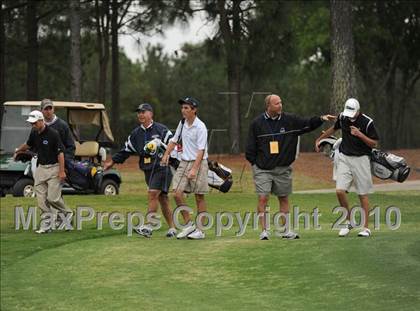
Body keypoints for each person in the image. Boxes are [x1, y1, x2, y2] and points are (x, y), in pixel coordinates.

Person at [245, 94, 336, 240]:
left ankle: (286, 230)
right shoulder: (257, 123)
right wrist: (255, 164)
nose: (280, 105)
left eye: (281, 102)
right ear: (268, 106)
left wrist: (320, 119)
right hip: (263, 169)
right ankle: (264, 231)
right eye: (276, 103)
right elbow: (250, 148)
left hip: (283, 168)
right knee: (263, 198)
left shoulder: (289, 120)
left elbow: (306, 123)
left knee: (283, 198)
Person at [103, 103, 177, 238]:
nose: (140, 115)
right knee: (162, 198)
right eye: (139, 112)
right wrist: (111, 162)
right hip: (147, 169)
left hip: (162, 167)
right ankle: (172, 228)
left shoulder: (162, 130)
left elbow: (173, 146)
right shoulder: (135, 134)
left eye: (144, 112)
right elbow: (125, 151)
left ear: (151, 114)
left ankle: (148, 226)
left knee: (152, 193)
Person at [315, 98, 379, 237]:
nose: (349, 117)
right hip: (344, 158)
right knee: (339, 191)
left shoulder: (367, 122)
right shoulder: (343, 117)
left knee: (362, 194)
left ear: (358, 111)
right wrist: (320, 139)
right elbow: (333, 129)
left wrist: (360, 134)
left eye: (352, 114)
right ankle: (349, 221)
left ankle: (366, 228)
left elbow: (374, 143)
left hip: (361, 159)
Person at [14, 110, 73, 233]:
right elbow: (28, 145)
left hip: (54, 168)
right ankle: (46, 226)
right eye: (31, 124)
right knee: (41, 200)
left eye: (35, 123)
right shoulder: (34, 133)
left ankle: (68, 214)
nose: (33, 125)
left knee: (53, 199)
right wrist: (18, 150)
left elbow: (60, 154)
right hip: (41, 168)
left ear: (41, 121)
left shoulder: (53, 134)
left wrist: (62, 171)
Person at [161, 96, 208, 240]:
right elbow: (174, 140)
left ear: (194, 110)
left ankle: (200, 230)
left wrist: (194, 169)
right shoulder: (182, 123)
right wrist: (166, 154)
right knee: (176, 193)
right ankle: (189, 225)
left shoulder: (201, 127)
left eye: (186, 108)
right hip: (184, 162)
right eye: (182, 108)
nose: (183, 110)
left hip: (198, 162)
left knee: (199, 196)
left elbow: (201, 150)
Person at [40, 99, 76, 163]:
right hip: (42, 164)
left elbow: (71, 147)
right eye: (46, 109)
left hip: (59, 163)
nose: (48, 111)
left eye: (50, 109)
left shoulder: (63, 125)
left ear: (53, 109)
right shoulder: (38, 125)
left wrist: (64, 161)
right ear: (41, 111)